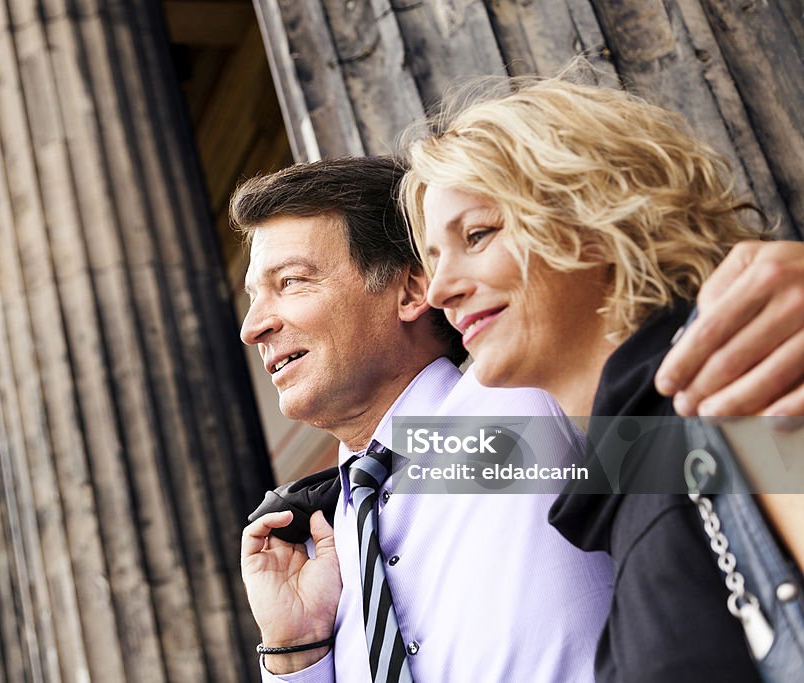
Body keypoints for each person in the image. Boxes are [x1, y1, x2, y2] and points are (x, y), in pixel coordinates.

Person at [235, 155, 804, 682]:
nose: (253, 326)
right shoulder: (324, 540)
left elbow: (756, 459)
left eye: (290, 283)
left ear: (412, 290)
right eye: (254, 297)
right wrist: (299, 650)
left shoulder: (520, 403)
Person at [403, 74, 804, 681]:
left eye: (478, 235)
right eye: (434, 260)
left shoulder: (744, 382)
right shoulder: (628, 482)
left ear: (593, 210)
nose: (440, 290)